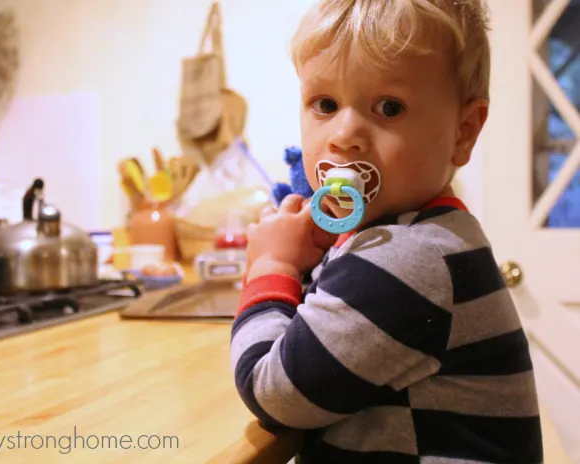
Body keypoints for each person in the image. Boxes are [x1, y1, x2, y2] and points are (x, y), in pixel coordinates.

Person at [230, 0, 544, 462]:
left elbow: (275, 392)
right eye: (325, 104)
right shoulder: (416, 237)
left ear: (463, 131)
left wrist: (269, 265)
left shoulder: (409, 259)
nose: (344, 134)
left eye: (389, 107)